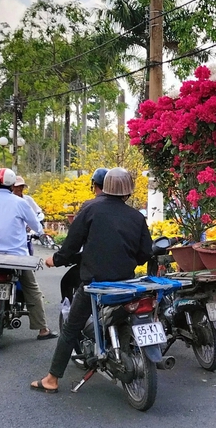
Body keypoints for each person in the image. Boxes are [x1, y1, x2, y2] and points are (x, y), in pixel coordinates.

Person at [30, 167, 153, 393]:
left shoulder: (90, 209)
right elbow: (146, 252)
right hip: (126, 284)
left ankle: (52, 379)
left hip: (94, 285)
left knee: (70, 329)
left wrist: (54, 260)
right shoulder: (137, 216)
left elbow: (71, 246)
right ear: (128, 191)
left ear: (103, 187)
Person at [0, 168, 57, 340]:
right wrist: (39, 232)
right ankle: (42, 329)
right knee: (32, 290)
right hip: (18, 257)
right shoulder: (20, 203)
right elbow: (36, 224)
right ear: (12, 185)